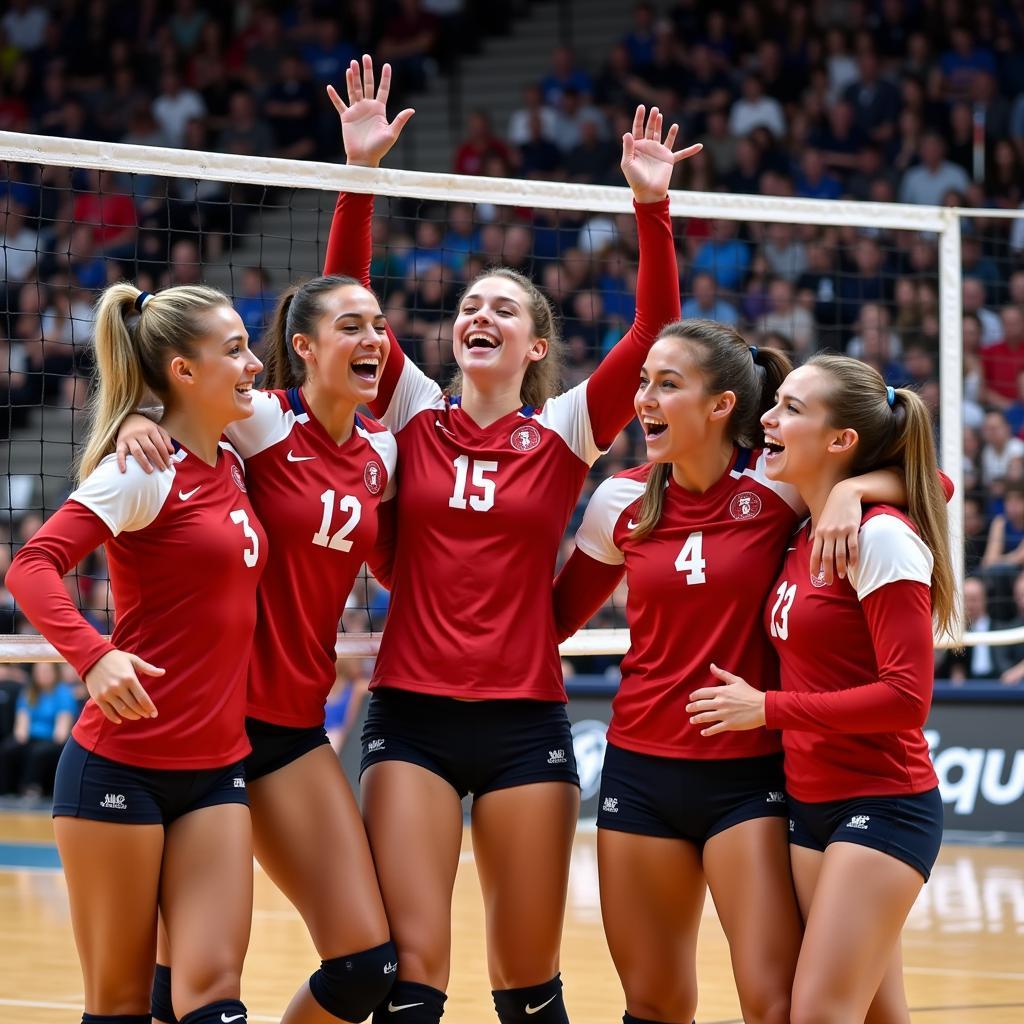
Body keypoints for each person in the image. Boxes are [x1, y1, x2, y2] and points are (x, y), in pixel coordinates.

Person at [329, 55, 700, 1024]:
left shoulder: (567, 430)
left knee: (527, 984)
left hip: (526, 721)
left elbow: (657, 327)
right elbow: (348, 297)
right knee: (409, 981)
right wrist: (361, 173)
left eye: (502, 307)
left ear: (536, 344)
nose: (477, 314)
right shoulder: (410, 408)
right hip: (410, 713)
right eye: (468, 306)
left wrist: (648, 208)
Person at [551, 324, 908, 1024]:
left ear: (719, 406)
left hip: (751, 777)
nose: (643, 398)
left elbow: (935, 482)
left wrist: (853, 490)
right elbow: (550, 621)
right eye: (643, 381)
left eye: (665, 384)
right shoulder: (621, 500)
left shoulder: (781, 486)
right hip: (639, 772)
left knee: (775, 1007)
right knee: (653, 1003)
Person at [117, 272, 401, 1023]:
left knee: (367, 967)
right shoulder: (264, 421)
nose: (372, 338)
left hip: (292, 723)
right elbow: (183, 401)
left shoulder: (384, 451)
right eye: (351, 326)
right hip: (208, 722)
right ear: (303, 348)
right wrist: (131, 420)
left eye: (379, 324)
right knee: (180, 981)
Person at [6, 282, 267, 1024]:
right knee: (119, 1007)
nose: (255, 364)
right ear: (184, 372)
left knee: (215, 1004)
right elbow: (30, 567)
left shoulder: (233, 462)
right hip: (119, 767)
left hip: (216, 771)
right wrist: (92, 655)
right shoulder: (142, 470)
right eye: (237, 350)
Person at [687, 354, 955, 1024]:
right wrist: (850, 489)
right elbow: (933, 480)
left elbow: (906, 699)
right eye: (774, 403)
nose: (768, 420)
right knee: (876, 1015)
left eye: (791, 409)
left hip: (885, 802)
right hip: (812, 804)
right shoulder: (804, 528)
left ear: (842, 442)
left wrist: (765, 709)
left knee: (817, 1014)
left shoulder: (880, 538)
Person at [0, 661, 76, 796]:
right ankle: (5, 789)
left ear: (55, 673)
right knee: (8, 748)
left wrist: (53, 738)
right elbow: (22, 723)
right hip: (31, 737)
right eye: (39, 672)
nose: (42, 675)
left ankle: (31, 788)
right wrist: (20, 738)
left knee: (39, 752)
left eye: (46, 671)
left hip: (52, 738)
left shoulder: (63, 693)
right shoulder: (29, 692)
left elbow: (61, 731)